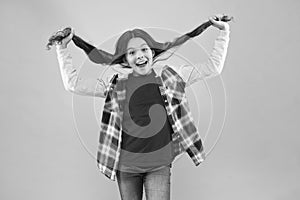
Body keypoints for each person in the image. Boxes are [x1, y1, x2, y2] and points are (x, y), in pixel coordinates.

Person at [53, 14, 231, 200]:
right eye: (131, 53)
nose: (139, 56)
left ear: (152, 53)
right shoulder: (115, 85)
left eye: (144, 49)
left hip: (159, 165)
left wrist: (223, 32)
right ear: (125, 61)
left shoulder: (171, 77)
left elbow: (213, 67)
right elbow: (72, 84)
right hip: (126, 168)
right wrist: (62, 48)